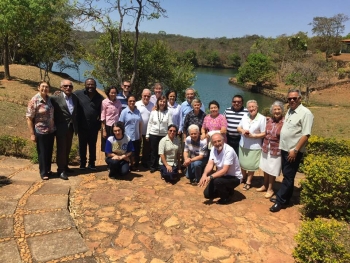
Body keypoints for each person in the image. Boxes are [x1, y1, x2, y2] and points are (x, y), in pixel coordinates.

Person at [270, 89, 314, 212]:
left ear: (300, 98)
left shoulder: (306, 113)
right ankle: (285, 199)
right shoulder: (290, 110)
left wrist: (295, 150)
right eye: (290, 99)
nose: (292, 100)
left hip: (293, 151)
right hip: (285, 148)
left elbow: (306, 134)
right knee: (287, 174)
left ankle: (280, 201)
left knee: (288, 176)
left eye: (295, 98)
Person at [198, 133, 242, 205]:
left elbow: (225, 170)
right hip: (222, 176)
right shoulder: (213, 149)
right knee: (207, 195)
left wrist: (210, 177)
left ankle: (226, 198)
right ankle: (228, 189)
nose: (217, 143)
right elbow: (210, 163)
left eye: (219, 141)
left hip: (234, 178)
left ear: (223, 140)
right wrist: (204, 174)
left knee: (217, 181)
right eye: (215, 142)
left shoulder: (229, 151)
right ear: (212, 143)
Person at [26, 81, 55, 180]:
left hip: (51, 130)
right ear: (38, 87)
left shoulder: (49, 99)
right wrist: (32, 134)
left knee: (49, 151)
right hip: (40, 130)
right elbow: (29, 118)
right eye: (42, 86)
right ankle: (43, 173)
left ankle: (48, 170)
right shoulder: (34, 100)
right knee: (42, 152)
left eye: (47, 87)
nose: (45, 89)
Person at [50, 79, 78, 180]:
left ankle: (65, 166)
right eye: (65, 86)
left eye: (70, 86)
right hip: (60, 128)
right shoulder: (55, 97)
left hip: (71, 127)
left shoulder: (74, 97)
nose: (68, 88)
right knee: (61, 149)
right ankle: (60, 170)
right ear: (61, 88)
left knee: (67, 148)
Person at [74, 78, 104, 170]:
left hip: (94, 127)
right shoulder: (78, 94)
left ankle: (92, 163)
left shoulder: (100, 98)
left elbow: (102, 112)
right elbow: (68, 96)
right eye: (88, 84)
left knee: (92, 145)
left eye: (92, 84)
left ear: (95, 86)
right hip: (82, 126)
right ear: (85, 85)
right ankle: (82, 163)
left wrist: (100, 125)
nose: (90, 86)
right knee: (82, 145)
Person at [257, 101, 285, 198]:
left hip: (276, 149)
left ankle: (270, 188)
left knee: (272, 169)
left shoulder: (285, 122)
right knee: (265, 167)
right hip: (266, 147)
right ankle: (265, 185)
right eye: (275, 109)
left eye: (278, 109)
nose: (277, 111)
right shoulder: (269, 120)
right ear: (272, 111)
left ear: (282, 110)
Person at [237, 100, 266, 191]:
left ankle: (248, 182)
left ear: (257, 107)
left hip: (254, 145)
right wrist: (243, 131)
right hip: (243, 144)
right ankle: (243, 177)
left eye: (253, 107)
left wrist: (253, 136)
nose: (251, 109)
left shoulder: (262, 118)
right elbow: (238, 127)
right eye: (249, 107)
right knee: (242, 163)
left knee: (251, 165)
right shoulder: (245, 116)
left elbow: (264, 133)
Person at [146, 95, 173, 173]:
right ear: (158, 102)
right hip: (153, 134)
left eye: (164, 102)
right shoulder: (153, 112)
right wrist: (147, 134)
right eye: (161, 101)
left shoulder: (168, 112)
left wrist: (170, 135)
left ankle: (159, 165)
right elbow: (150, 123)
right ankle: (152, 166)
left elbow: (170, 124)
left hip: (163, 135)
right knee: (153, 151)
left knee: (161, 151)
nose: (162, 103)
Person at [119, 95, 142, 171]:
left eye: (133, 101)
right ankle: (126, 166)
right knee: (128, 153)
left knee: (135, 152)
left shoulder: (137, 111)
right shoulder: (124, 112)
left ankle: (134, 166)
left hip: (136, 136)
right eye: (130, 101)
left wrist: (140, 134)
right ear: (127, 102)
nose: (132, 102)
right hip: (127, 136)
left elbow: (140, 123)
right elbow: (121, 125)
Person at [135, 89, 154, 168]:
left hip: (148, 130)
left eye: (148, 96)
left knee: (146, 148)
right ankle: (136, 161)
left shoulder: (152, 105)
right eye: (145, 96)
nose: (146, 97)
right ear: (142, 95)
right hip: (137, 130)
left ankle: (144, 162)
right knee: (137, 146)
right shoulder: (137, 104)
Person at [101, 86, 122, 152]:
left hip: (116, 126)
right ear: (108, 93)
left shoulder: (118, 102)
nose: (113, 94)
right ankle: (108, 161)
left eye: (115, 93)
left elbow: (120, 114)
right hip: (108, 126)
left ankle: (115, 160)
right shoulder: (104, 102)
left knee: (116, 145)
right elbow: (103, 117)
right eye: (112, 93)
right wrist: (104, 130)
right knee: (107, 145)